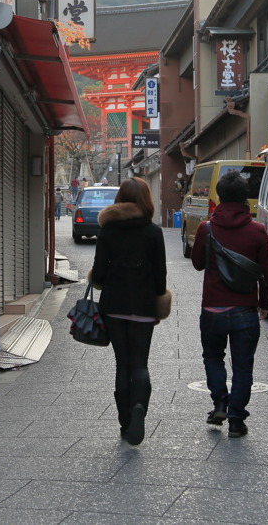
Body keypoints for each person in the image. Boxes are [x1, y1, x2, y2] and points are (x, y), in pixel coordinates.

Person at [190, 170, 268, 438]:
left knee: (213, 356)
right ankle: (237, 420)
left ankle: (220, 403)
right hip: (245, 311)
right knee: (243, 366)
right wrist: (264, 304)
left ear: (220, 196)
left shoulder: (207, 228)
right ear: (244, 197)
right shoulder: (258, 231)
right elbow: (267, 272)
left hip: (213, 308)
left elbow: (197, 264)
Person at [90, 177, 169, 445]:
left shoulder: (109, 231)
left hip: (114, 306)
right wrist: (158, 304)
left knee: (121, 363)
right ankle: (139, 407)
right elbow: (161, 277)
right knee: (140, 363)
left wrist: (101, 278)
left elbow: (98, 274)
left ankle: (125, 421)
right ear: (146, 200)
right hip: (145, 306)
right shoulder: (153, 231)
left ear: (120, 199)